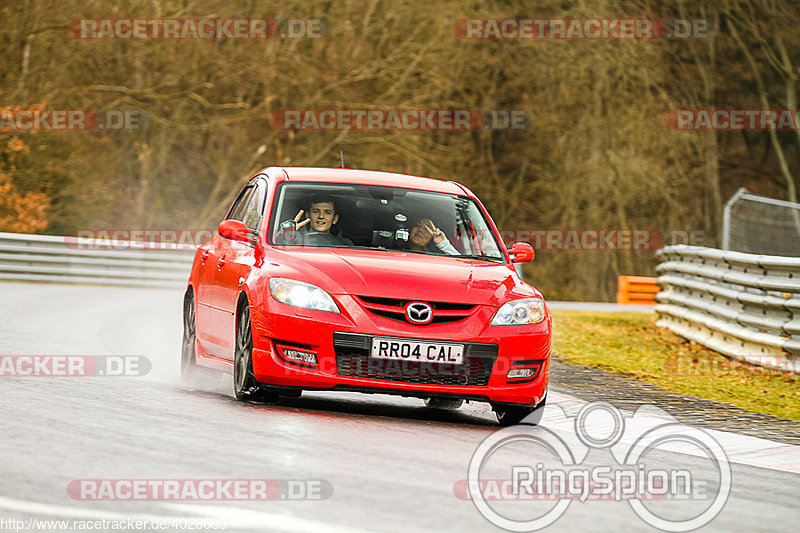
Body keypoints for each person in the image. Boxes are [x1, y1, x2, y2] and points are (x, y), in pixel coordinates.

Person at [275, 195, 353, 246]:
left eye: (327, 212)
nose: (321, 216)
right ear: (307, 215)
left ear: (335, 219)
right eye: (316, 211)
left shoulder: (344, 244)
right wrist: (284, 234)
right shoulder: (295, 240)